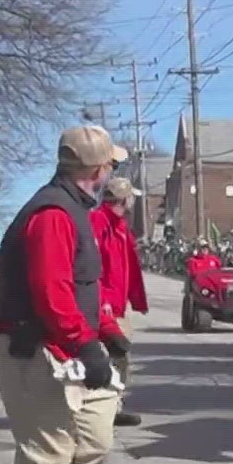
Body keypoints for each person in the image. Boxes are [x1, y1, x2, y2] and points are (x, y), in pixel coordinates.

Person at [0, 126, 128, 464]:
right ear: (96, 170)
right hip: (39, 353)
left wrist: (101, 328)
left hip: (61, 348)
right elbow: (51, 292)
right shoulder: (52, 214)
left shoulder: (71, 209)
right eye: (111, 166)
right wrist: (85, 345)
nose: (111, 174)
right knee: (45, 459)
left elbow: (77, 284)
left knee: (93, 442)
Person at [91, 177, 148, 429]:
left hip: (117, 305)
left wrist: (135, 298)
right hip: (102, 306)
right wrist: (101, 301)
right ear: (124, 199)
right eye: (130, 198)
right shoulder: (97, 222)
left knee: (120, 356)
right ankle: (101, 409)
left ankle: (113, 406)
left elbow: (129, 266)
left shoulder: (121, 227)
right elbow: (91, 266)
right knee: (113, 355)